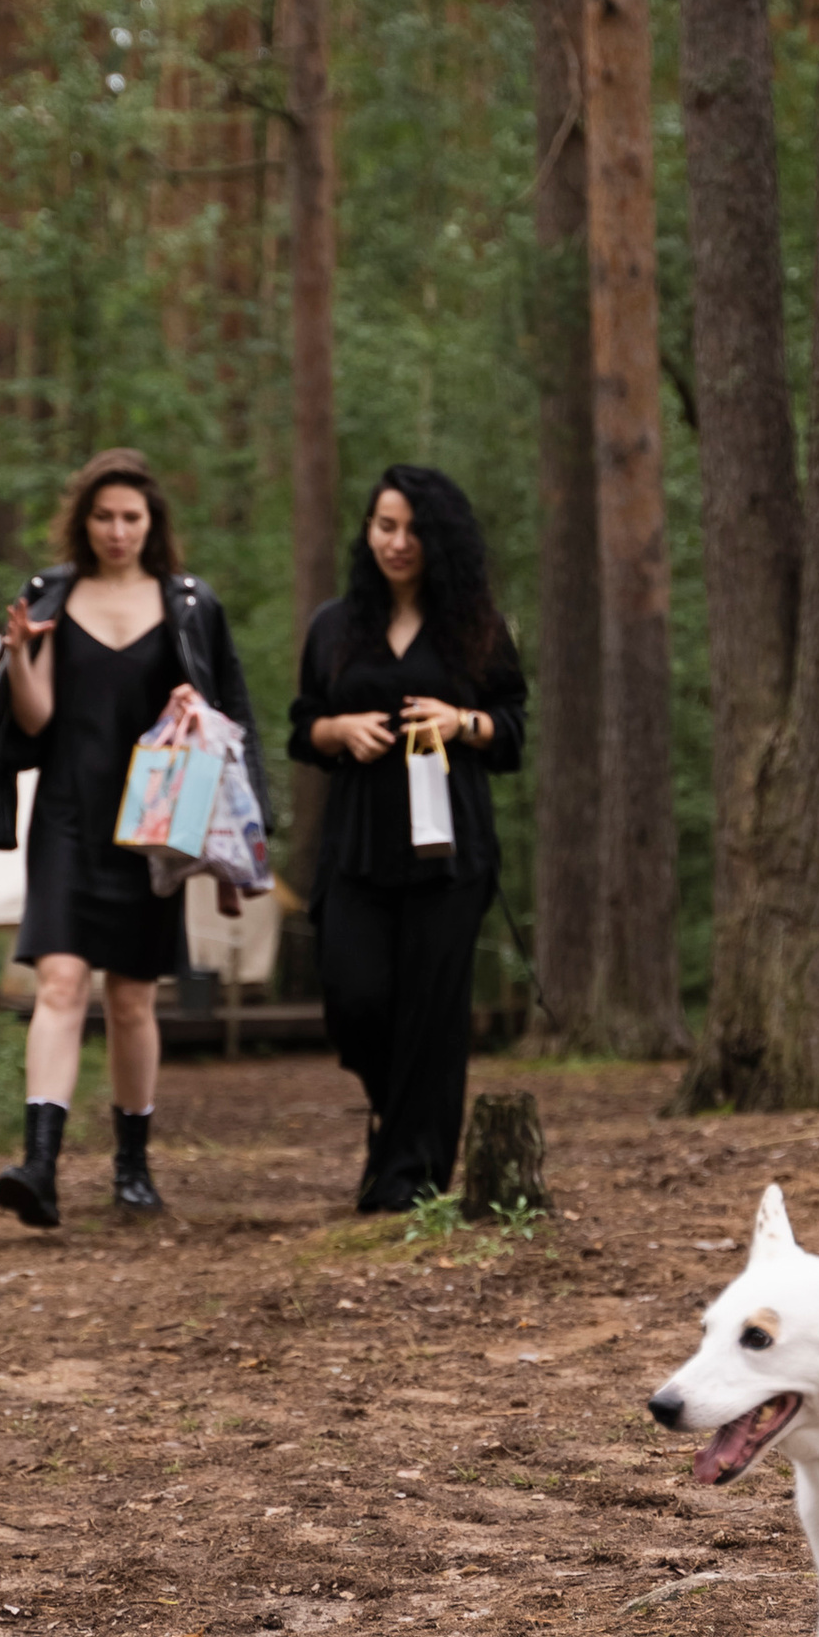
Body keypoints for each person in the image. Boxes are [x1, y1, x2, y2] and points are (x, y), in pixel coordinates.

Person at [0, 448, 264, 1227]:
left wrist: (192, 706)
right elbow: (32, 721)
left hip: (151, 826)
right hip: (67, 814)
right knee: (61, 983)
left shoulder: (190, 605)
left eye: (131, 516)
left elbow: (229, 716)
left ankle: (133, 1168)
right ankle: (39, 1166)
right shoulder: (51, 597)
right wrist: (18, 655)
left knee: (132, 999)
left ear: (152, 522)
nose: (117, 530)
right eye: (103, 515)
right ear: (84, 520)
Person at [289, 464, 527, 1215]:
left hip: (450, 849)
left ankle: (411, 1180)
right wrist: (338, 728)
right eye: (384, 525)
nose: (397, 542)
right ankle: (396, 1124)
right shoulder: (334, 625)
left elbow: (515, 730)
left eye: (413, 529)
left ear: (440, 538)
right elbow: (301, 727)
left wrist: (466, 723)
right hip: (356, 845)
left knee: (433, 1010)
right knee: (355, 998)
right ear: (367, 532)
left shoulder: (477, 625)